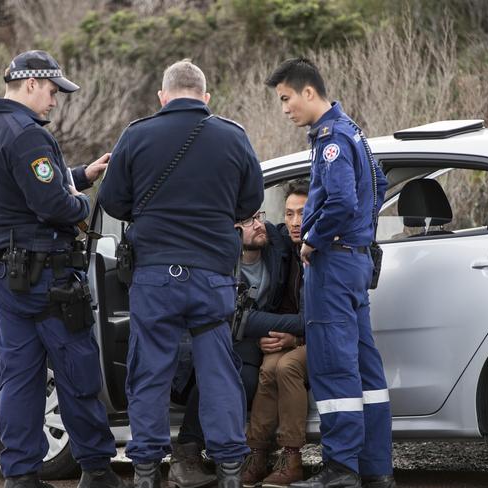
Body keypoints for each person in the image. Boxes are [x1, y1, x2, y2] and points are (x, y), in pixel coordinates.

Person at [97, 59, 264, 488]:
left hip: (154, 277)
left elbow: (114, 202)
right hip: (212, 276)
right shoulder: (233, 136)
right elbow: (250, 202)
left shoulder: (136, 135)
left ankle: (148, 472)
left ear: (162, 96)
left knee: (148, 373)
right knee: (218, 373)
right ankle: (230, 469)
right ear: (205, 98)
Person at [0, 50, 124, 488]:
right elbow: (53, 203)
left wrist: (80, 174)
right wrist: (84, 202)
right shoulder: (27, 134)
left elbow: (22, 187)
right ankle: (95, 469)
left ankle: (20, 476)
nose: (55, 101)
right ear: (31, 84)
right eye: (53, 91)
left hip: (3, 268)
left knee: (18, 375)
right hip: (46, 274)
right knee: (76, 367)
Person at [265, 58, 394, 488]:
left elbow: (339, 201)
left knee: (335, 367)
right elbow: (377, 184)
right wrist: (360, 234)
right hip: (354, 259)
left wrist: (312, 240)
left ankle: (340, 470)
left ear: (307, 92)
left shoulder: (331, 139)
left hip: (334, 263)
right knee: (366, 371)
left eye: (285, 99)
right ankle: (375, 470)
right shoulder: (351, 129)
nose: (284, 109)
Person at [168, 209, 301, 488]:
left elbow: (294, 225)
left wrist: (288, 334)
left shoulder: (276, 245)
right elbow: (240, 318)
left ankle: (226, 454)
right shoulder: (217, 263)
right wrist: (304, 324)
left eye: (258, 217)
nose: (258, 225)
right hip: (210, 338)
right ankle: (187, 452)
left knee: (246, 378)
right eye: (247, 222)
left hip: (250, 343)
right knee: (215, 373)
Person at [241, 180, 309, 488]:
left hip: (319, 338)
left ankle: (292, 457)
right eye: (290, 214)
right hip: (294, 335)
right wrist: (271, 336)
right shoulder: (284, 246)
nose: (295, 223)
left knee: (286, 366)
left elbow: (325, 318)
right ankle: (257, 453)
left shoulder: (324, 250)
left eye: (303, 214)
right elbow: (256, 224)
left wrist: (293, 339)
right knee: (268, 368)